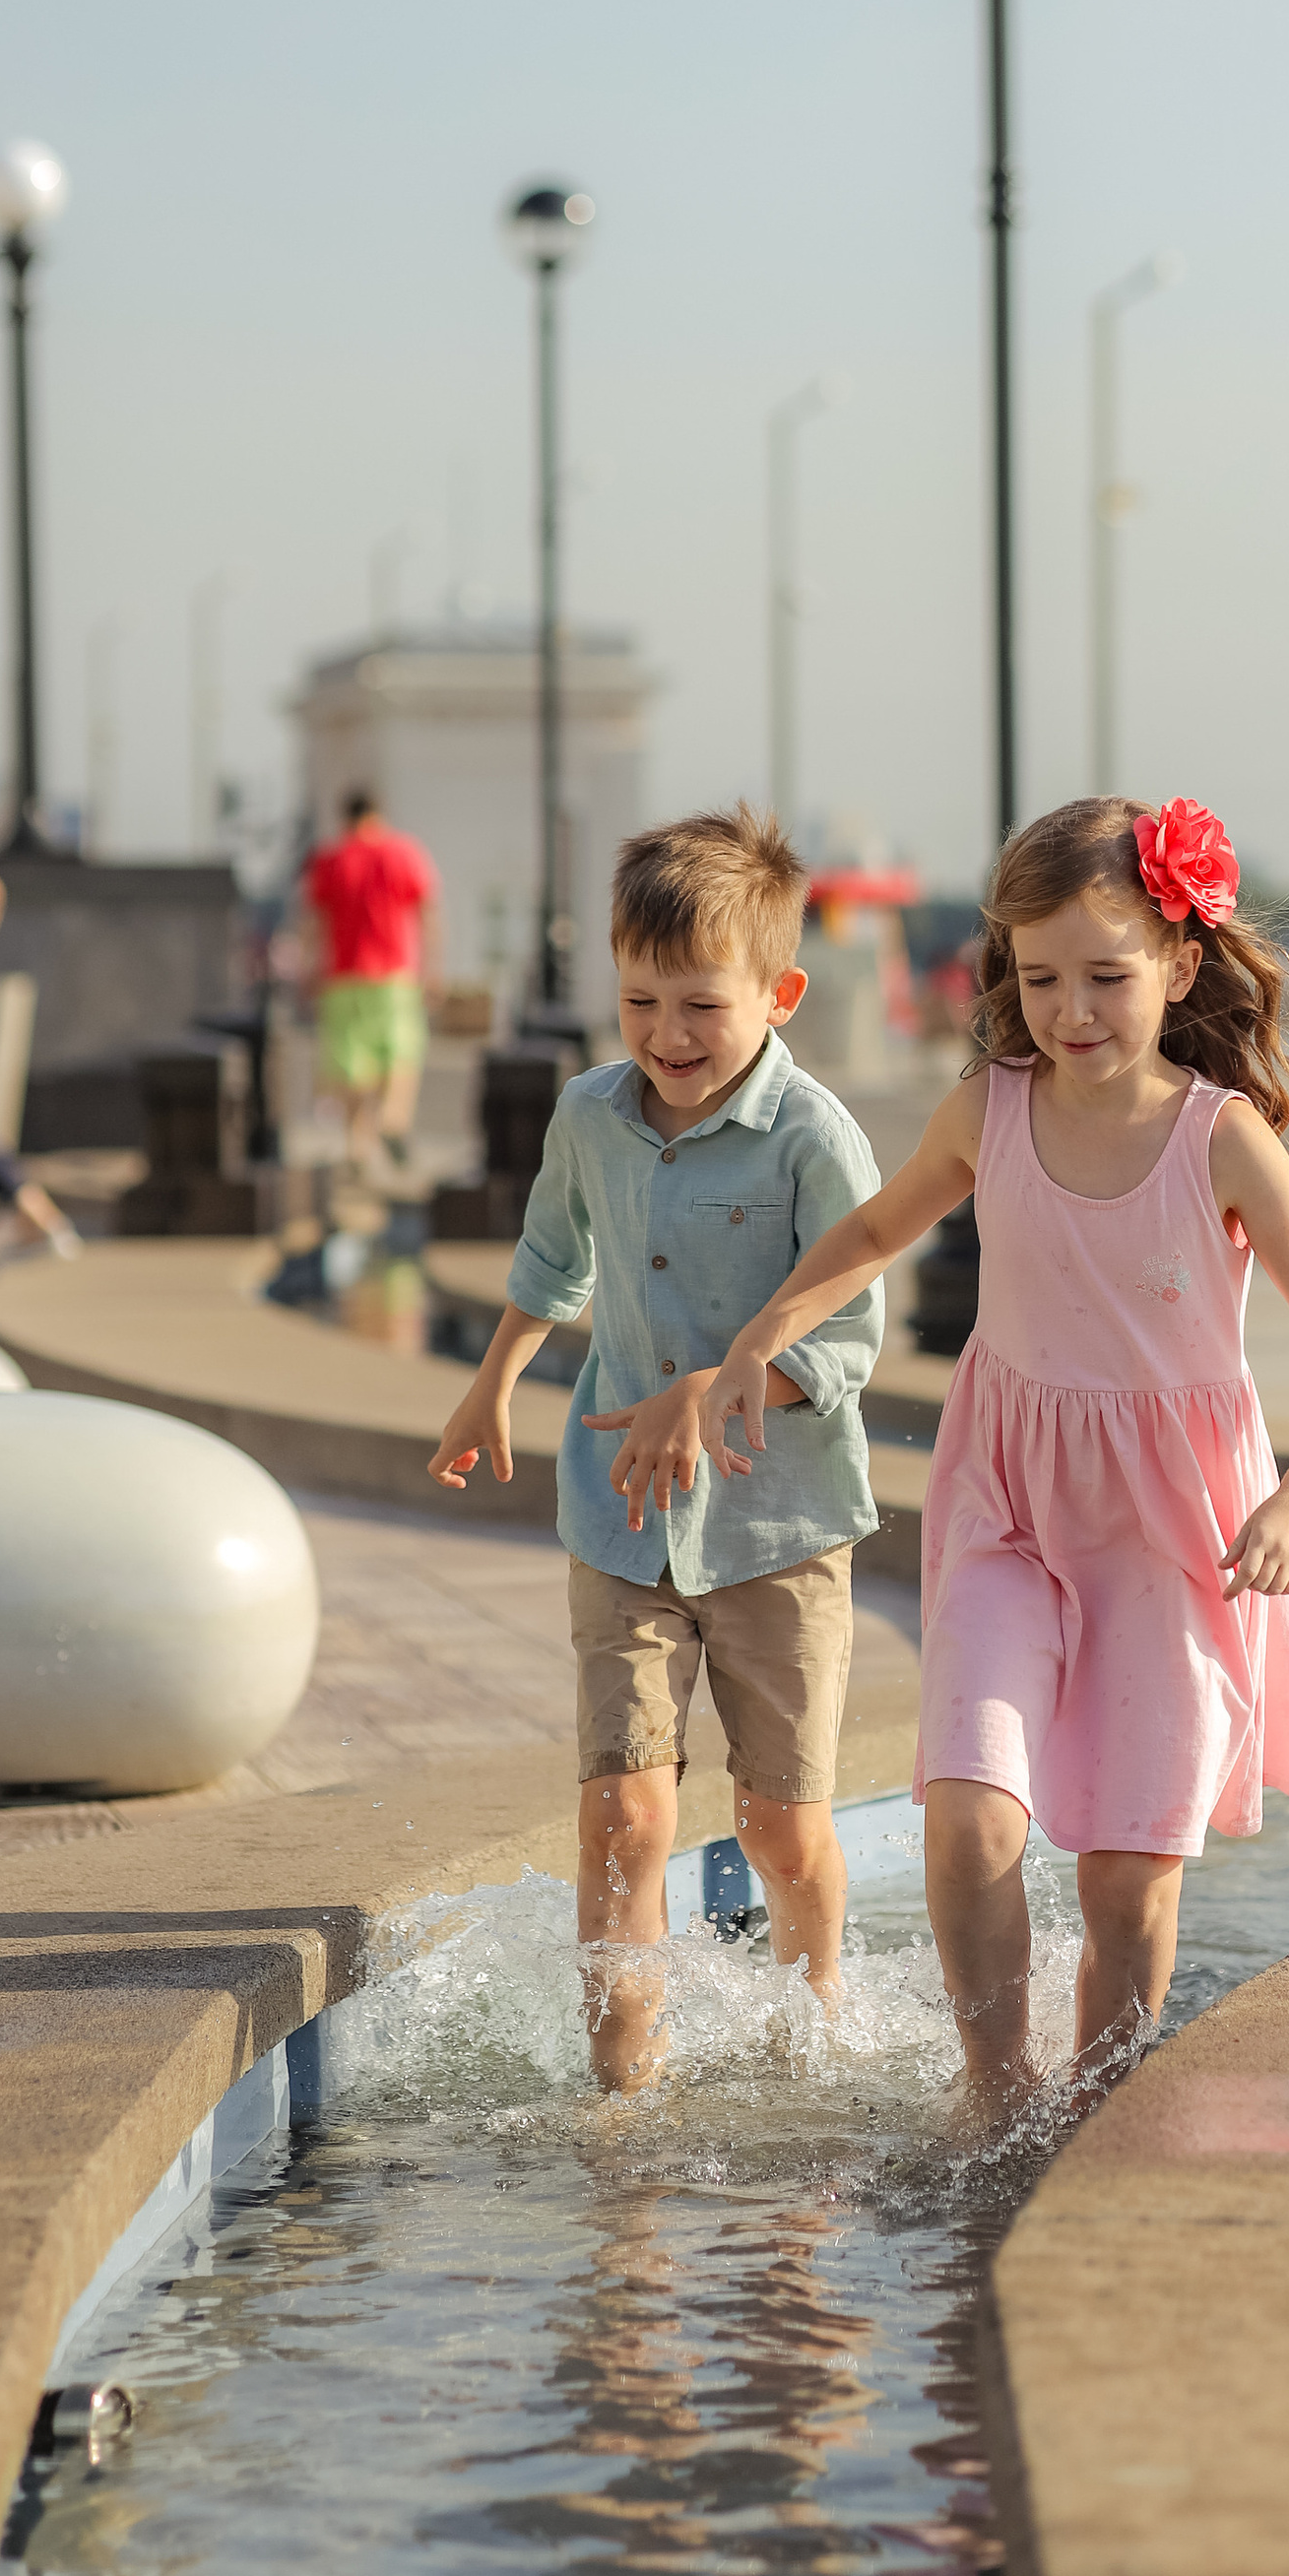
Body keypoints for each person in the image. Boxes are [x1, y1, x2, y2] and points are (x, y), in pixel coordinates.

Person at [700, 793, 1289, 2112]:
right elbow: (870, 1231)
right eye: (1041, 977)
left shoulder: (1221, 1141)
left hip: (1174, 1536)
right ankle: (998, 2092)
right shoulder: (989, 1111)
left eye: (1108, 977)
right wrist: (761, 1333)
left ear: (1183, 966)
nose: (1073, 1009)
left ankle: (1100, 2110)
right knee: (967, 1819)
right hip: (1009, 1508)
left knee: (1128, 1880)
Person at [427, 805, 881, 2092]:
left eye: (701, 1007)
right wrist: (491, 1386)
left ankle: (816, 2031)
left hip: (776, 1532)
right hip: (620, 1515)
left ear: (778, 993)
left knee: (785, 1832)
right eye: (640, 1004)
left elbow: (851, 1340)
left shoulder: (814, 1142)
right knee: (625, 1813)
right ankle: (621, 2094)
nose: (669, 1039)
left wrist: (718, 1387)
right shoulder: (589, 1116)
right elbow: (553, 1260)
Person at [301, 787, 440, 1169]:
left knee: (352, 1063)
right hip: (396, 975)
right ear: (378, 815)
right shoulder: (404, 853)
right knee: (401, 1053)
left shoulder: (330, 860)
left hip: (343, 976)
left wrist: (309, 970)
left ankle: (356, 1144)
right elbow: (428, 912)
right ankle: (392, 1120)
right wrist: (433, 969)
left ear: (344, 818)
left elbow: (312, 922)